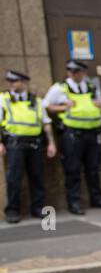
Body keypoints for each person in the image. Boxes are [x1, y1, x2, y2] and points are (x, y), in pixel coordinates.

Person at [43, 60, 101, 214]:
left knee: (93, 168)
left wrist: (100, 105)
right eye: (70, 71)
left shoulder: (91, 87)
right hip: (72, 135)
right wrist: (64, 107)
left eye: (76, 71)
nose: (73, 74)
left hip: (92, 133)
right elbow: (46, 106)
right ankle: (74, 202)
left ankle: (97, 198)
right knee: (73, 169)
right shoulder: (60, 88)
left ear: (83, 72)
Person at [1, 69, 56, 223]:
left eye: (14, 81)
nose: (11, 84)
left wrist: (51, 142)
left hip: (34, 144)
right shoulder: (3, 99)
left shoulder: (36, 101)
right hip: (14, 144)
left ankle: (38, 208)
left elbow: (46, 123)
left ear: (24, 82)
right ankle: (12, 210)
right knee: (14, 178)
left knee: (37, 176)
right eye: (9, 81)